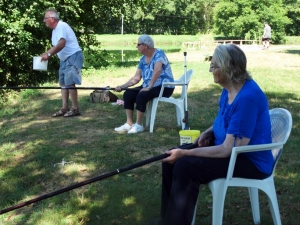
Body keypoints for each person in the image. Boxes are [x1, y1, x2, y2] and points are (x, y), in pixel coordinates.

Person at [152, 44, 273, 225]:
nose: (211, 70)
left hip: (249, 160)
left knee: (185, 165)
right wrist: (207, 132)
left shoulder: (247, 97)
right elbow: (223, 120)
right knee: (171, 156)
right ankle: (167, 219)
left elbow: (227, 150)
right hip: (233, 151)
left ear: (228, 69)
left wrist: (185, 153)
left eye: (214, 66)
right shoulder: (230, 89)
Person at [114, 34, 175, 134]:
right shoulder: (143, 59)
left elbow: (157, 71)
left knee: (142, 94)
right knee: (128, 93)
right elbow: (137, 77)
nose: (136, 46)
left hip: (164, 87)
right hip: (149, 86)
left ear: (145, 46)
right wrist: (122, 87)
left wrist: (149, 87)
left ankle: (138, 125)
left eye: (138, 44)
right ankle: (129, 124)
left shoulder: (159, 54)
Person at [41, 9, 84, 117]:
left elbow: (62, 43)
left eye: (45, 18)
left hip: (73, 56)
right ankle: (65, 108)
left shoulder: (61, 26)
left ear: (52, 19)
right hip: (64, 59)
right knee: (63, 83)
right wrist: (46, 53)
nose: (44, 20)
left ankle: (75, 109)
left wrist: (49, 54)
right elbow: (56, 46)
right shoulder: (55, 30)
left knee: (70, 83)